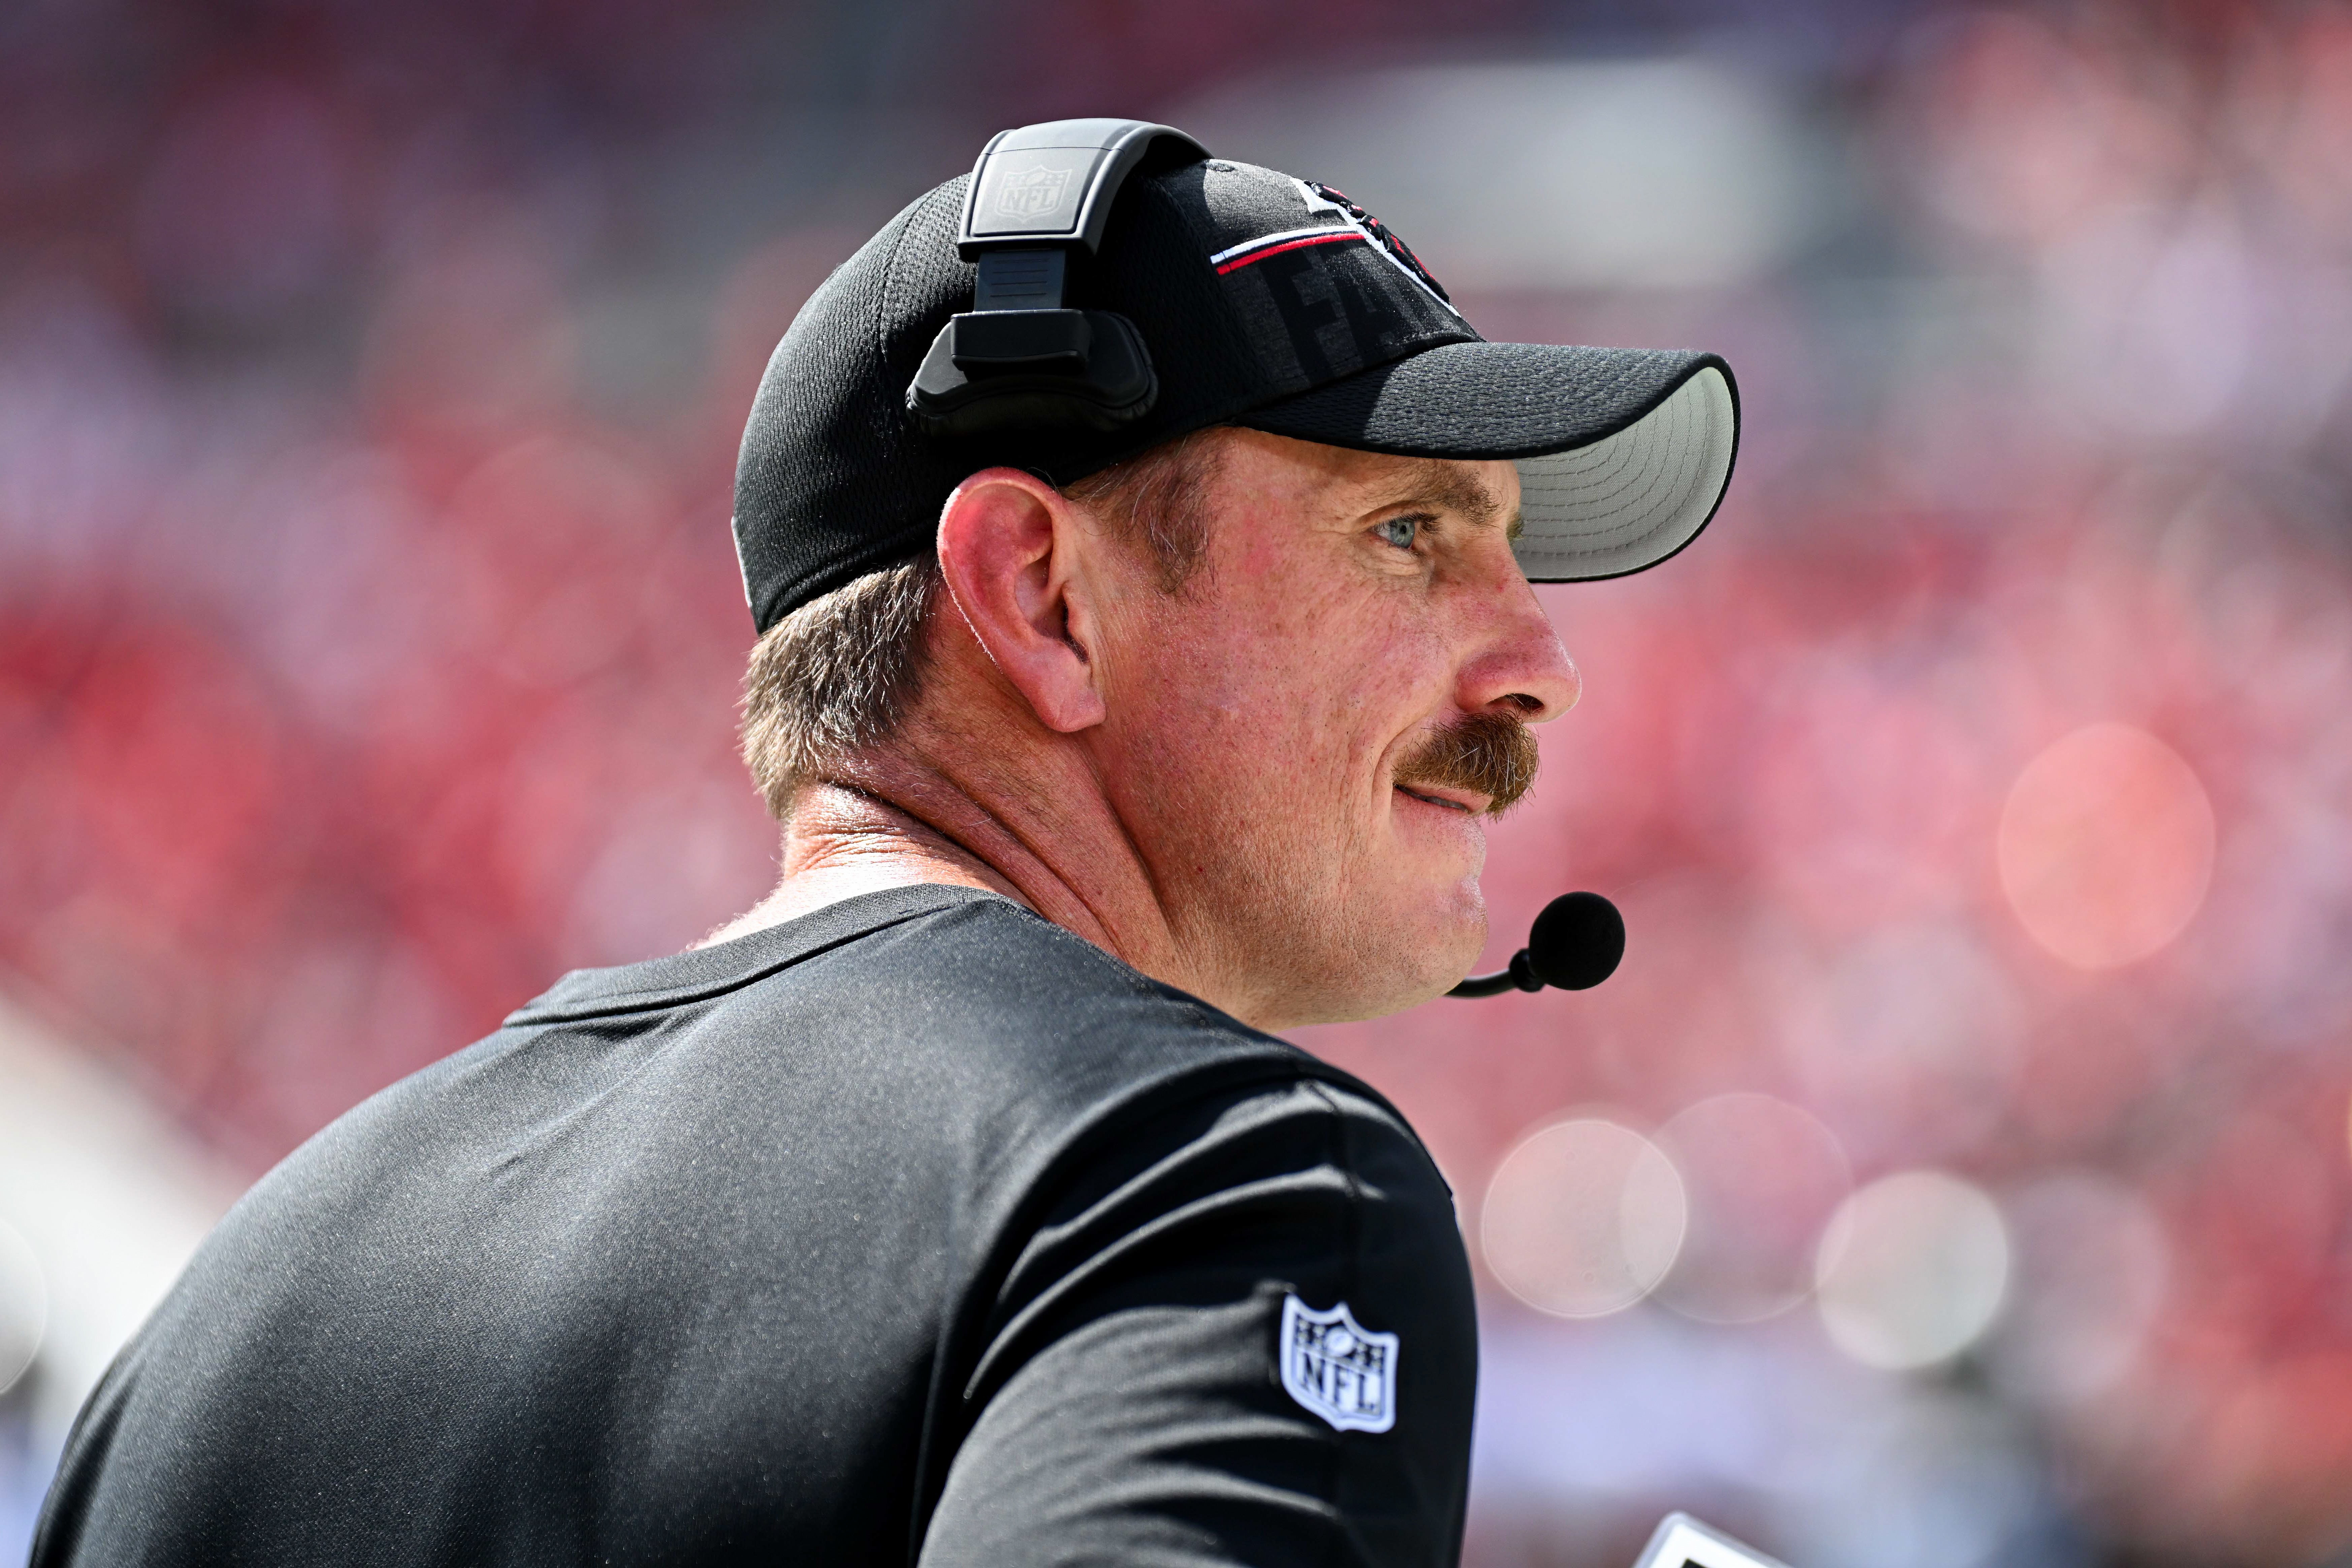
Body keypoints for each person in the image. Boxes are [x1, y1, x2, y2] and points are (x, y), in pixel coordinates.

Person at [32, 121, 1736, 1566]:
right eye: (1410, 531)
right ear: (1041, 596)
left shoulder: (234, 1311)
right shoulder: (1202, 1177)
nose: (1543, 666)